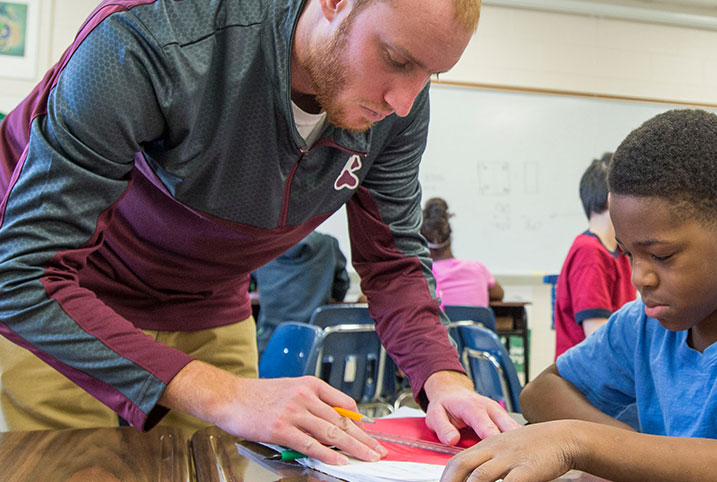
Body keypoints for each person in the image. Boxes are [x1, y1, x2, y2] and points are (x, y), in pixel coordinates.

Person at [0, 0, 518, 465]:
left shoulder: (400, 108)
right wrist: (223, 394)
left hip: (206, 298)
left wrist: (442, 377)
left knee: (225, 466)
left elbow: (394, 260)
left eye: (431, 75)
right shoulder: (146, 41)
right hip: (65, 298)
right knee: (74, 467)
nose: (403, 101)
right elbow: (19, 277)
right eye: (398, 60)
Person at [442, 109, 717, 482]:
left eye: (661, 255)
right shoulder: (643, 325)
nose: (639, 277)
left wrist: (583, 441)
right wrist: (627, 452)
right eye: (627, 254)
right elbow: (541, 392)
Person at [552, 153, 635, 358]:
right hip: (586, 380)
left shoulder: (620, 251)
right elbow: (597, 339)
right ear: (612, 199)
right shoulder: (590, 253)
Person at [252, 231, 351, 351]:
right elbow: (341, 287)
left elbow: (249, 284)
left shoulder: (261, 246)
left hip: (269, 343)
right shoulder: (328, 245)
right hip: (316, 344)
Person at [420, 197, 504, 307]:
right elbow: (499, 294)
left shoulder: (424, 275)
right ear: (450, 238)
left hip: (440, 324)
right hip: (477, 324)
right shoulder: (477, 268)